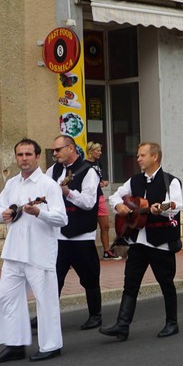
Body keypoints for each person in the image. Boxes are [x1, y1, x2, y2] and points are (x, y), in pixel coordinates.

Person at [0, 139, 68, 363]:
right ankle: (14, 344)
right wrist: (2, 213)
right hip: (14, 250)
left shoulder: (48, 185)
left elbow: (62, 218)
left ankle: (51, 345)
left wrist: (39, 213)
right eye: (20, 154)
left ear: (37, 156)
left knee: (45, 300)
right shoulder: (12, 183)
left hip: (39, 251)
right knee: (6, 297)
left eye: (28, 154)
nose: (24, 158)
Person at [102, 142, 183, 340]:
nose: (138, 158)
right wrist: (119, 206)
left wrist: (161, 208)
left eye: (142, 155)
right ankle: (122, 325)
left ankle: (172, 323)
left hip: (161, 242)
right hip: (138, 241)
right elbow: (114, 196)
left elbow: (176, 206)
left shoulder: (170, 181)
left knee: (166, 282)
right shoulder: (134, 180)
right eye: (138, 155)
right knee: (130, 282)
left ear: (154, 157)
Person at [48, 135, 103, 331]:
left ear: (71, 148)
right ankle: (47, 314)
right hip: (59, 235)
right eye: (54, 150)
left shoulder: (88, 172)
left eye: (58, 150)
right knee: (53, 277)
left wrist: (68, 193)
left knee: (89, 277)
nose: (54, 154)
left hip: (81, 235)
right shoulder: (52, 171)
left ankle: (95, 315)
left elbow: (89, 203)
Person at [86, 141, 119, 260]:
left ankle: (107, 251)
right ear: (91, 151)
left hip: (99, 196)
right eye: (98, 150)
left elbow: (99, 179)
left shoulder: (99, 163)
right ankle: (88, 253)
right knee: (89, 227)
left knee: (105, 226)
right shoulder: (84, 165)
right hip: (90, 198)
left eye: (100, 150)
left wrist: (103, 183)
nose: (100, 153)